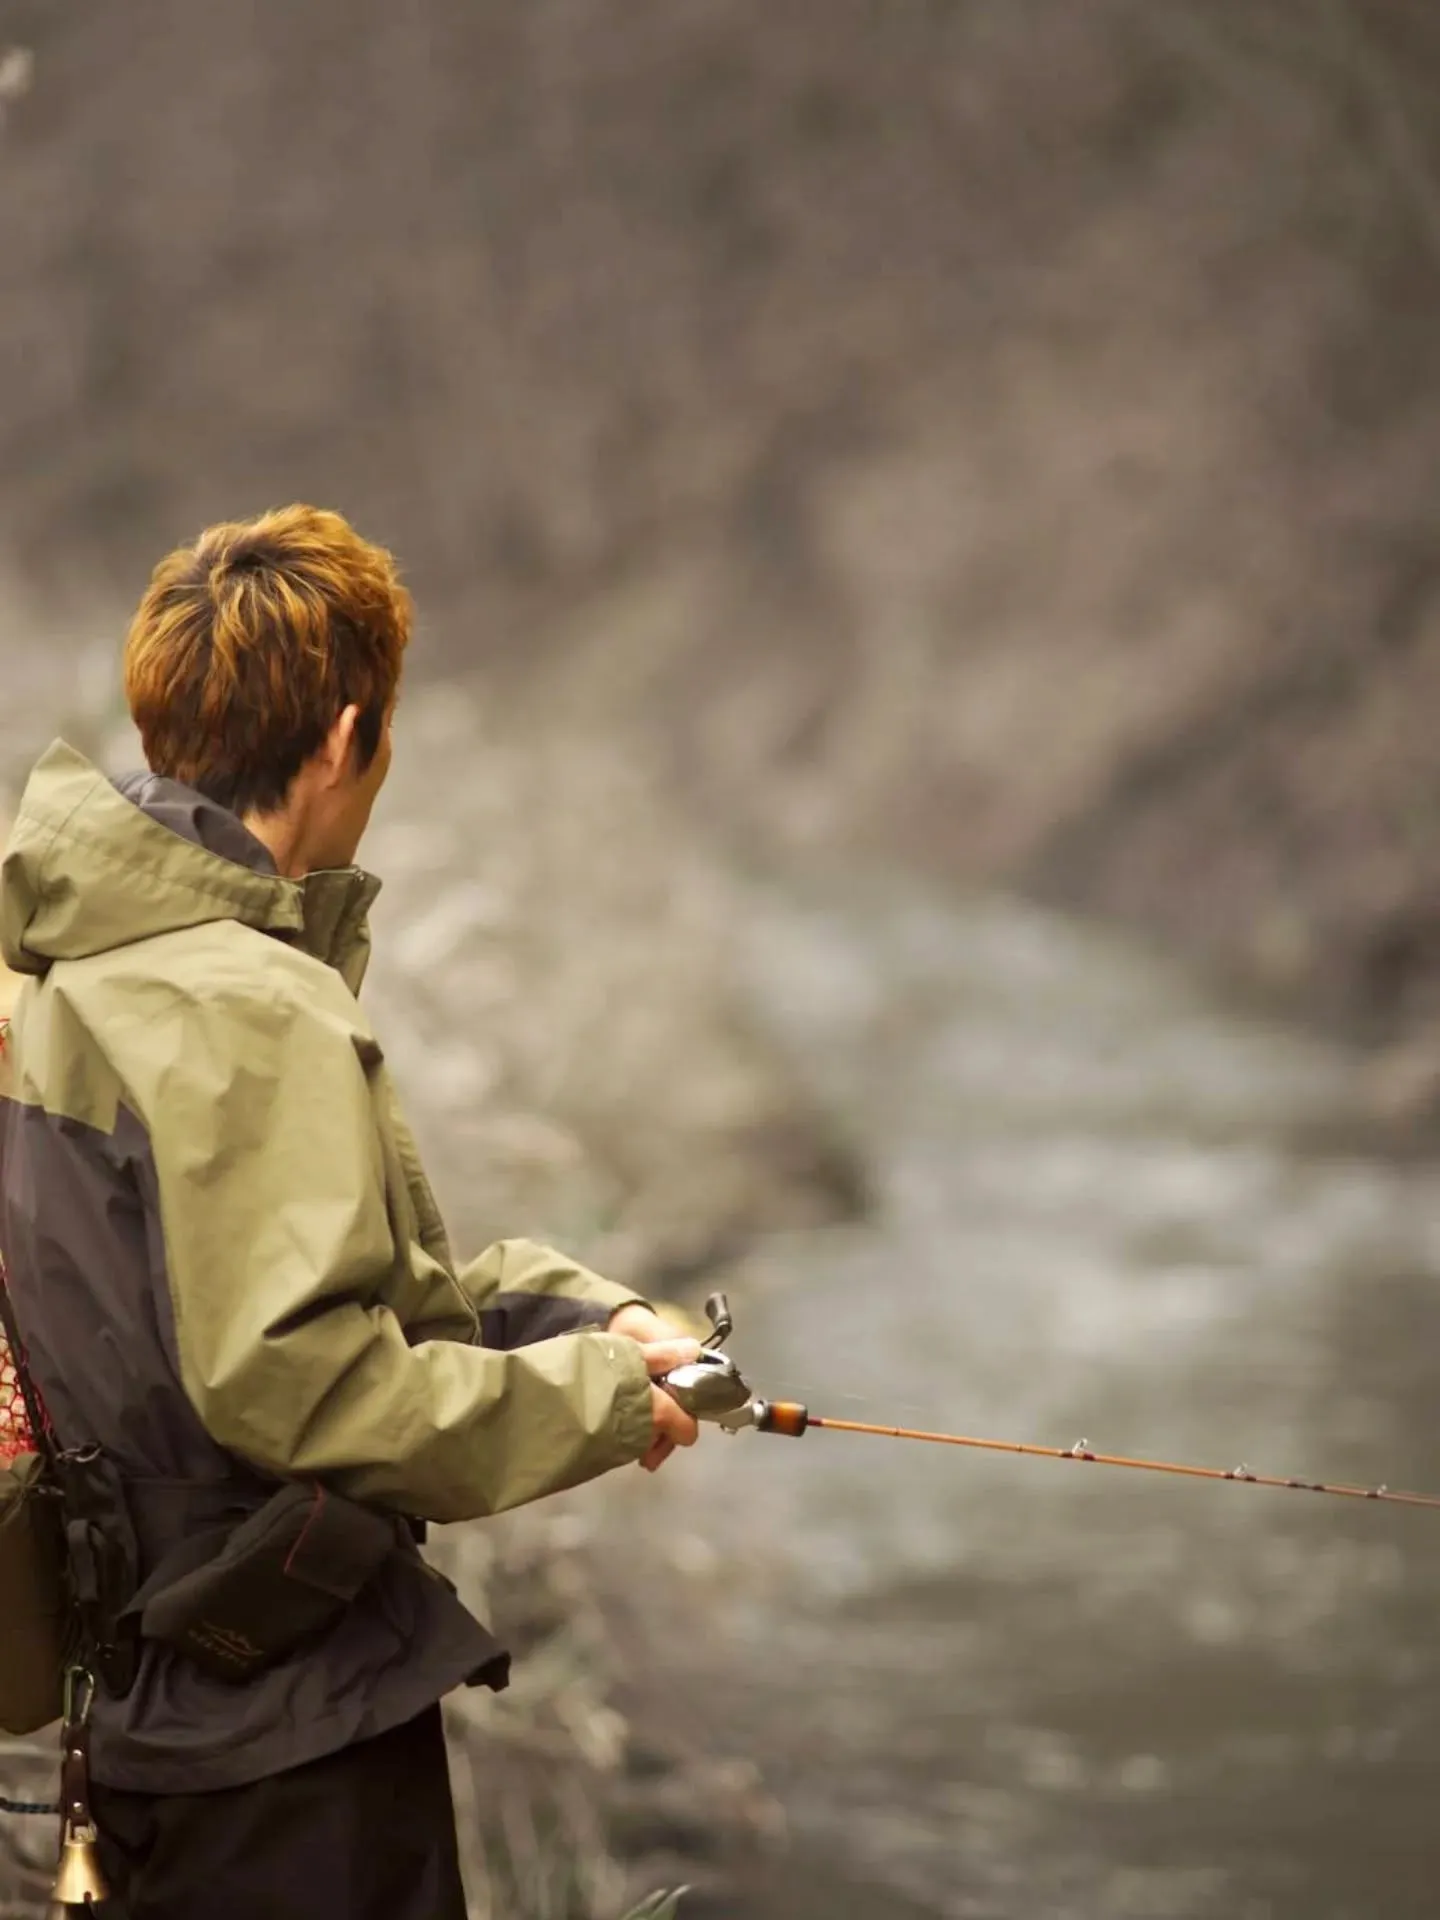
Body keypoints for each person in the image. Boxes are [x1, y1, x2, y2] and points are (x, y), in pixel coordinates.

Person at [0, 504, 701, 1919]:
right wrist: (604, 1406)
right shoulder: (247, 1005)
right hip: (287, 1748)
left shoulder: (59, 975)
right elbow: (300, 1386)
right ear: (342, 737)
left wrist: (588, 1316)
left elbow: (269, 1301)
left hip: (136, 1723)